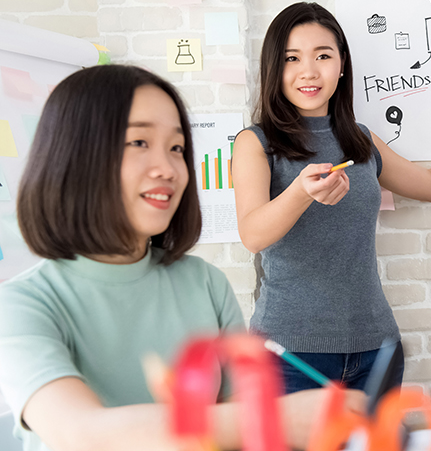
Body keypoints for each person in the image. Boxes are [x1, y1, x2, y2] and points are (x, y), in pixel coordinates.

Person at [0, 65, 363, 451]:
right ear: (73, 154)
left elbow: (241, 429)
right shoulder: (21, 304)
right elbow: (81, 431)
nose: (168, 169)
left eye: (176, 148)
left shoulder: (204, 283)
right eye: (139, 142)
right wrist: (274, 417)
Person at [231, 2, 431, 394]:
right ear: (274, 67)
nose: (309, 71)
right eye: (292, 58)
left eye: (323, 55)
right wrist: (301, 192)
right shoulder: (256, 142)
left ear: (342, 64)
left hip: (375, 349)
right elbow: (253, 234)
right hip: (288, 354)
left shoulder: (360, 138)